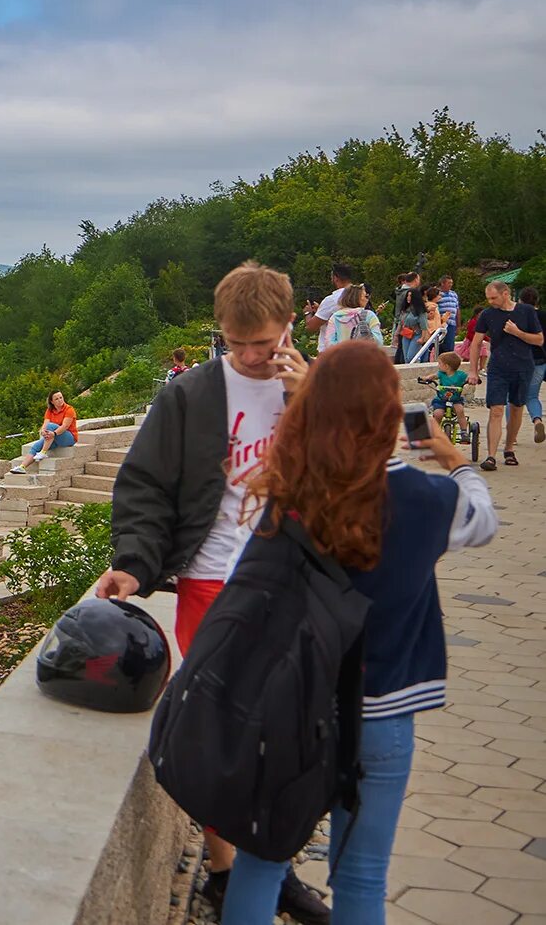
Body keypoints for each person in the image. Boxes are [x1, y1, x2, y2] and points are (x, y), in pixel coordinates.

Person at [217, 340, 497, 925]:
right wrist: (454, 458)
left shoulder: (290, 493)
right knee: (363, 876)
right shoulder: (430, 499)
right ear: (391, 412)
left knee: (262, 862)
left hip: (296, 707)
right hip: (386, 710)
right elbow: (484, 521)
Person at [94, 261, 326, 923]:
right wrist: (134, 564)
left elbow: (354, 473)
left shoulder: (311, 389)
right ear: (220, 332)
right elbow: (143, 488)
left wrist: (311, 399)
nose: (252, 356)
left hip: (294, 583)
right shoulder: (189, 397)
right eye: (237, 343)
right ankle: (228, 872)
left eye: (264, 342)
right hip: (210, 583)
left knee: (285, 735)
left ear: (289, 324)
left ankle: (270, 869)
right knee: (225, 736)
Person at [466, 280, 545, 470]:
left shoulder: (526, 311)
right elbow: (476, 343)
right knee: (496, 410)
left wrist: (518, 333)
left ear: (506, 294)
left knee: (517, 408)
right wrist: (473, 370)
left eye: (493, 298)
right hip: (498, 368)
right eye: (488, 298)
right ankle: (491, 456)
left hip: (523, 367)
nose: (491, 302)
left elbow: (539, 339)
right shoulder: (487, 314)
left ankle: (509, 449)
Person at [10, 391, 79, 474]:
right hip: (53, 436)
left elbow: (65, 426)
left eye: (61, 397)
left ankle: (43, 452)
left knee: (50, 426)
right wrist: (42, 431)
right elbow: (45, 423)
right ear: (52, 402)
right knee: (36, 446)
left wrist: (54, 433)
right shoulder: (50, 410)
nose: (60, 400)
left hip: (69, 437)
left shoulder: (69, 409)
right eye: (56, 399)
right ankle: (22, 467)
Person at [305, 262, 357, 349]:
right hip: (354, 348)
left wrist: (308, 313)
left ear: (335, 278)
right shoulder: (360, 296)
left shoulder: (332, 300)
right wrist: (320, 310)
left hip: (331, 350)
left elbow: (311, 327)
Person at [520, 286, 546, 444]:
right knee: (532, 396)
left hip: (520, 360)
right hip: (540, 360)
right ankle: (537, 420)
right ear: (537, 300)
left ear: (521, 300)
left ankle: (512, 435)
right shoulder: (543, 316)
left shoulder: (518, 316)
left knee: (513, 397)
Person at [424, 351, 469, 417]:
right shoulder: (441, 374)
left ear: (446, 366)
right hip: (441, 399)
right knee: (438, 414)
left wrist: (471, 380)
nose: (438, 365)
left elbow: (468, 377)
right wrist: (427, 378)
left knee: (460, 411)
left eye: (439, 363)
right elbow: (434, 376)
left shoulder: (460, 375)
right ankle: (436, 427)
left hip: (456, 400)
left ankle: (463, 427)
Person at [436, 274, 461, 354]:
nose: (450, 285)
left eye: (451, 283)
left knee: (450, 346)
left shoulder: (454, 294)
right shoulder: (437, 293)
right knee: (441, 345)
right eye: (448, 283)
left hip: (452, 323)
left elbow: (457, 309)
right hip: (441, 323)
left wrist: (458, 325)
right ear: (442, 283)